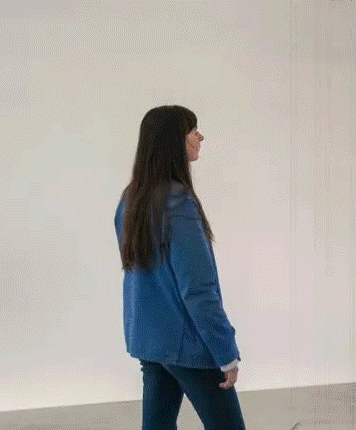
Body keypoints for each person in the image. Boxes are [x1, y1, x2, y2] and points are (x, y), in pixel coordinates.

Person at [114, 105, 245, 429]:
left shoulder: (131, 198)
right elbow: (198, 290)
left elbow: (141, 276)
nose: (200, 136)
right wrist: (225, 352)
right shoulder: (177, 202)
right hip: (188, 345)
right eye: (192, 130)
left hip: (151, 341)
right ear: (174, 141)